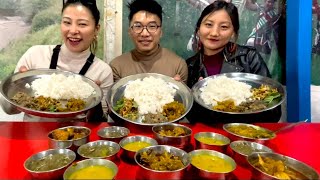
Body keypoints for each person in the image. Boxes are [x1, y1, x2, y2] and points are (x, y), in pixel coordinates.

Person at [0, 0, 113, 122]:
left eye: (82, 24)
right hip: (33, 138)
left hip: (76, 138)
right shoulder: (35, 55)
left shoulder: (102, 71)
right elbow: (8, 110)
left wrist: (94, 103)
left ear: (96, 29)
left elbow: (100, 123)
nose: (73, 30)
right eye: (67, 22)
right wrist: (17, 88)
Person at [186, 0, 281, 123]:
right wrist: (197, 98)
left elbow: (274, 112)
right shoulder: (190, 66)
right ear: (199, 29)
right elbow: (193, 119)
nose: (214, 33)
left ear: (233, 32)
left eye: (224, 27)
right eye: (209, 25)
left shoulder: (249, 58)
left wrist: (243, 105)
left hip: (245, 137)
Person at [110, 0, 188, 83]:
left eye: (152, 26)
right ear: (130, 32)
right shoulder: (116, 67)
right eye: (138, 26)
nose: (145, 33)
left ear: (161, 32)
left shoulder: (178, 65)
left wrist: (178, 93)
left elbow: (182, 95)